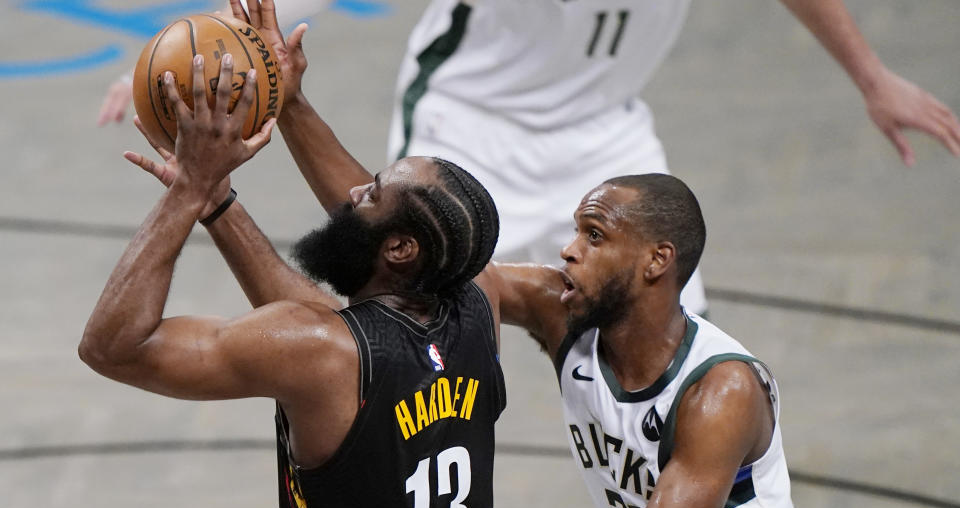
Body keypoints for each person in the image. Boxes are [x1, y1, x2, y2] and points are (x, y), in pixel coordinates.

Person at [204, 4, 899, 508]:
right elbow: (410, 242)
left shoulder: (720, 394)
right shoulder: (563, 314)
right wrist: (292, 105)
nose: (567, 248)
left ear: (656, 263)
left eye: (594, 237)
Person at [80, 52, 541, 508]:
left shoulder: (324, 352)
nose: (349, 191)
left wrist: (188, 191)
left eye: (370, 193)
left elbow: (114, 347)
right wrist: (244, 167)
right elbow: (333, 323)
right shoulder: (479, 297)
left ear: (400, 251)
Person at [99, 1, 960, 315]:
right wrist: (201, 49)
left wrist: (871, 75)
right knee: (400, 311)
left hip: (604, 127)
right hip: (473, 121)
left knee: (678, 345)